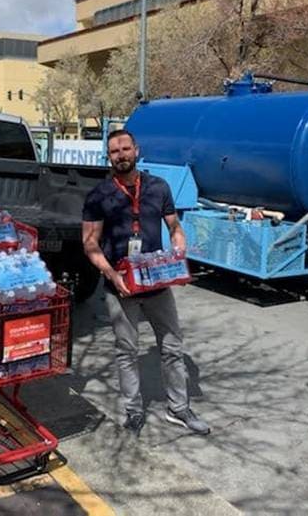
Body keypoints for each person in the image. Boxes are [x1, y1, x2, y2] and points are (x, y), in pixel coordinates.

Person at [82, 129, 209, 436]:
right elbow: (90, 244)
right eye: (114, 151)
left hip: (155, 281)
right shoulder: (99, 196)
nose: (121, 155)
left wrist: (179, 249)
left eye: (126, 149)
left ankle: (179, 408)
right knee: (127, 350)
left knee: (172, 347)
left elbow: (175, 227)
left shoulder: (158, 187)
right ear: (108, 156)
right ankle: (132, 409)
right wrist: (112, 275)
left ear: (136, 150)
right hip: (121, 284)